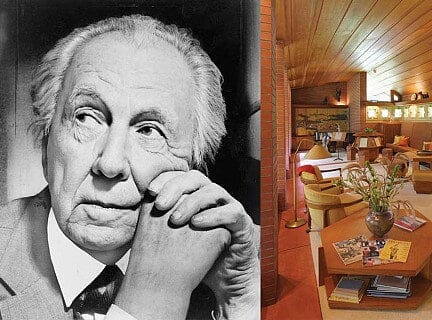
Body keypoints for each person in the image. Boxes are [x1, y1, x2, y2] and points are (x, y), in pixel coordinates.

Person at [0, 15, 259, 320]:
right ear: (46, 144)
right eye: (86, 117)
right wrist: (148, 304)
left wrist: (242, 301)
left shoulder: (239, 268)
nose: (109, 164)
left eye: (149, 130)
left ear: (194, 168)